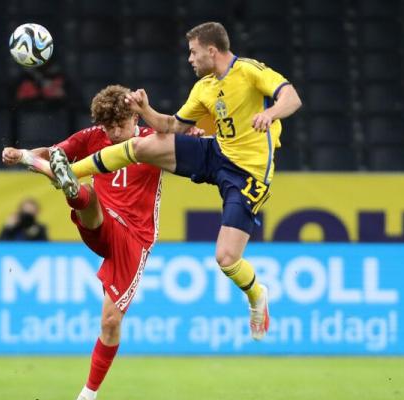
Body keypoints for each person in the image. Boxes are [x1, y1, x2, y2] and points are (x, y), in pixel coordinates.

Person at [48, 22, 302, 341]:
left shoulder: (250, 72)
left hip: (249, 174)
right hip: (218, 153)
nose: (189, 59)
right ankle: (70, 173)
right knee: (142, 146)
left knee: (226, 258)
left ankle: (257, 295)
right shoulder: (204, 88)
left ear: (212, 50)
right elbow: (171, 126)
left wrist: (272, 113)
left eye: (193, 52)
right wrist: (146, 109)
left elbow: (291, 98)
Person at [3, 84, 178, 400]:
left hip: (136, 238)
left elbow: (184, 138)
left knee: (111, 323)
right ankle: (74, 192)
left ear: (133, 117)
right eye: (107, 127)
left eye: (120, 126)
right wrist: (22, 154)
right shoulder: (92, 137)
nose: (114, 134)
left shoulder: (153, 141)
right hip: (100, 225)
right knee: (85, 195)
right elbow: (54, 151)